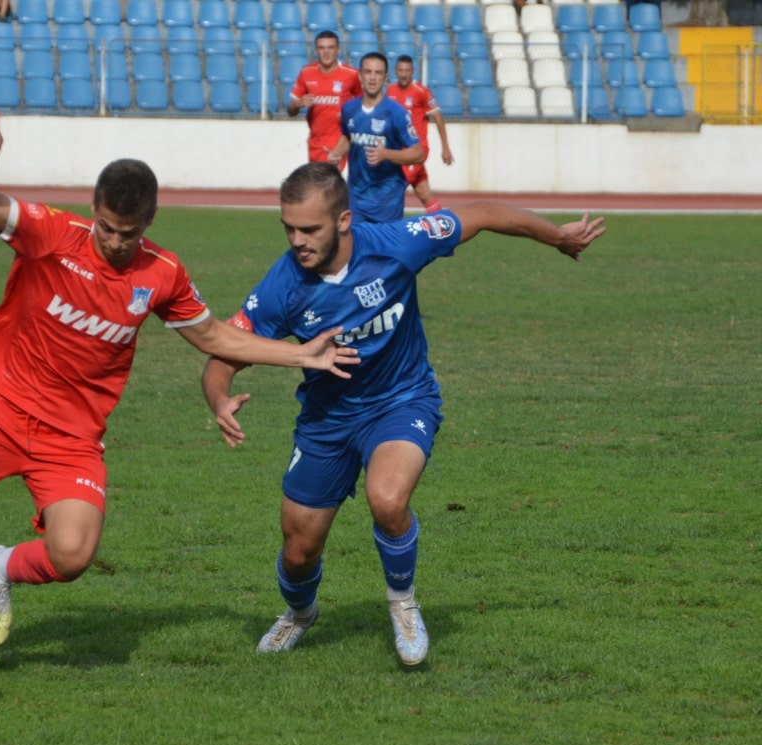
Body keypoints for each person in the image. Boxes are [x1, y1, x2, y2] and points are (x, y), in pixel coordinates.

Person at [0, 112, 360, 690]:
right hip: (0, 405)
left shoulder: (161, 274)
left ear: (149, 223)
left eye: (128, 233)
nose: (115, 242)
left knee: (73, 555)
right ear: (94, 210)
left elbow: (213, 336)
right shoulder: (49, 232)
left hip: (71, 435)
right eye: (107, 228)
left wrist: (302, 356)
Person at [201, 162, 605, 667]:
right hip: (327, 422)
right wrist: (219, 398)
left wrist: (556, 238)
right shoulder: (284, 285)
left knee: (387, 499)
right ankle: (300, 613)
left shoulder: (397, 241)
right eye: (289, 228)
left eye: (310, 229)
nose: (297, 240)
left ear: (344, 220)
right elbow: (222, 356)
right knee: (299, 549)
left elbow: (480, 214)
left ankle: (403, 601)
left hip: (402, 399)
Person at [328, 52, 424, 224]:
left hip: (387, 200)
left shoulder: (397, 113)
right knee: (354, 248)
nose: (372, 78)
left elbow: (418, 153)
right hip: (356, 198)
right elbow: (348, 137)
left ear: (386, 78)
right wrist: (335, 154)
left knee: (382, 251)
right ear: (360, 75)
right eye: (368, 72)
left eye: (378, 73)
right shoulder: (349, 109)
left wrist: (386, 154)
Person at [386, 55, 455, 214]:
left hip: (417, 149)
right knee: (425, 194)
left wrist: (445, 148)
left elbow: (438, 117)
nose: (403, 74)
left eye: (407, 71)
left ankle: (389, 229)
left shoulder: (421, 92)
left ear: (412, 72)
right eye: (401, 70)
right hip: (399, 150)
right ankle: (441, 226)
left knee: (395, 187)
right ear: (395, 71)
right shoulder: (390, 90)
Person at [287, 30, 362, 173]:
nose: (326, 52)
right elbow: (290, 111)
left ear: (338, 50)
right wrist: (297, 103)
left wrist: (351, 117)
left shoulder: (351, 74)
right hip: (315, 143)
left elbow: (364, 103)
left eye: (330, 47)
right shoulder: (306, 72)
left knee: (326, 183)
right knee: (318, 188)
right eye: (322, 48)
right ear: (316, 51)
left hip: (338, 141)